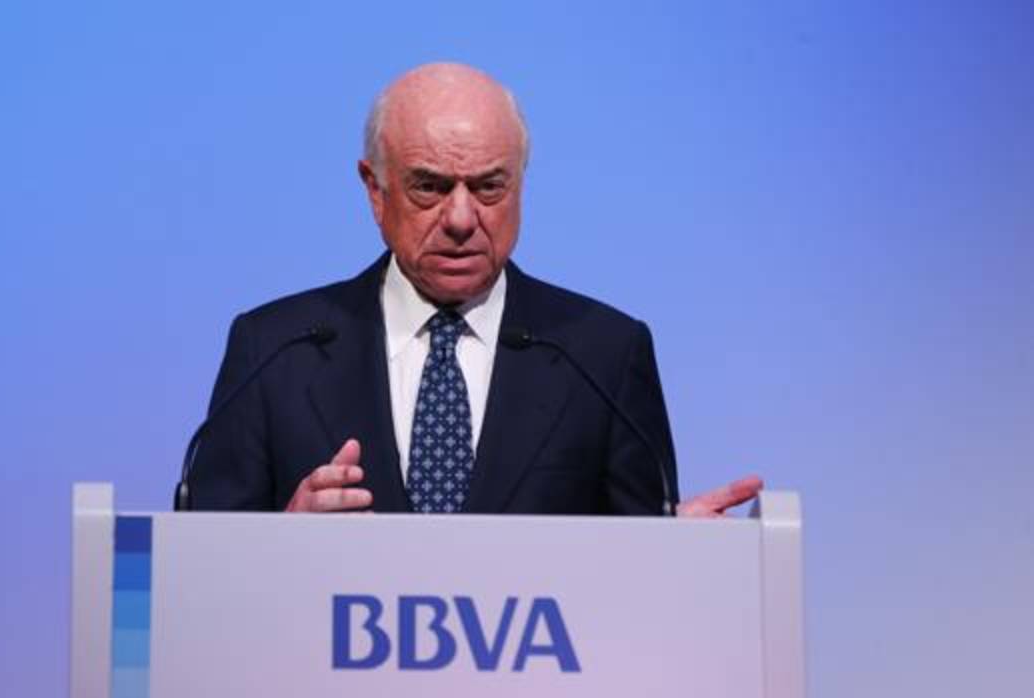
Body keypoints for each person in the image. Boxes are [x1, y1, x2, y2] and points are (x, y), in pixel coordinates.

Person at [184, 62, 761, 517]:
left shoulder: (604, 354)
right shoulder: (273, 350)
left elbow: (639, 566)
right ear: (375, 190)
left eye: (489, 187)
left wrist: (676, 556)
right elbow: (199, 571)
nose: (461, 219)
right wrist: (279, 540)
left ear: (520, 185)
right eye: (429, 187)